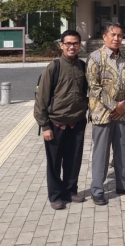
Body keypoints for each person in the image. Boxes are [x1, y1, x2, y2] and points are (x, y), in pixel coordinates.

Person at [86, 22, 125, 205]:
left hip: (123, 113)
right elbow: (94, 87)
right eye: (113, 35)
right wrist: (114, 105)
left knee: (122, 151)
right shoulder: (95, 57)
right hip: (102, 114)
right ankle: (98, 189)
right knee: (101, 153)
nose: (117, 38)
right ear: (104, 37)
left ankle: (123, 184)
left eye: (120, 35)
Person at [34, 30, 89, 210]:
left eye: (75, 43)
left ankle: (70, 191)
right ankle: (56, 195)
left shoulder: (82, 66)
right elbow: (41, 98)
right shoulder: (54, 67)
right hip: (56, 124)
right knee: (55, 162)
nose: (71, 47)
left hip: (77, 122)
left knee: (74, 160)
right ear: (61, 45)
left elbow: (87, 93)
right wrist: (45, 126)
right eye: (68, 43)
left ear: (80, 45)